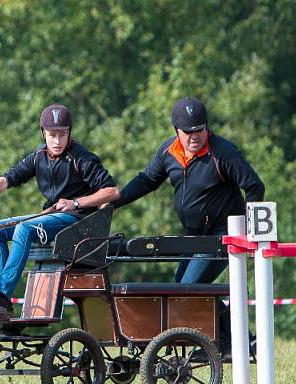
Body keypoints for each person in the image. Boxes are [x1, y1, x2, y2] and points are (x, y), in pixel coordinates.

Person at [111, 96, 265, 354]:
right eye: (188, 132)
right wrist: (115, 202)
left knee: (189, 287)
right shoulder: (168, 152)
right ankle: (236, 340)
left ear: (207, 128)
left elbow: (254, 186)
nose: (195, 137)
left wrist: (247, 230)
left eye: (200, 130)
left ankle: (225, 341)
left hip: (221, 235)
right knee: (181, 283)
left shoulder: (223, 153)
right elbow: (147, 180)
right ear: (176, 131)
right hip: (193, 236)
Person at [0, 103, 118, 313]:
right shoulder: (38, 157)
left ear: (70, 133)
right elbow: (6, 180)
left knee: (24, 228)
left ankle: (2, 294)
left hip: (77, 221)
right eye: (52, 135)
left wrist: (75, 203)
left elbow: (112, 191)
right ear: (43, 134)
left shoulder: (81, 158)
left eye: (62, 134)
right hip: (53, 217)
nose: (57, 141)